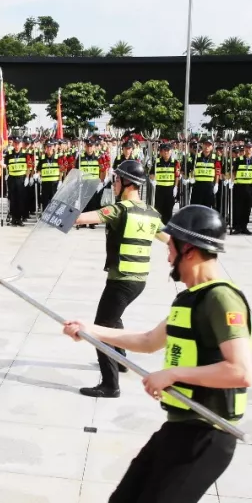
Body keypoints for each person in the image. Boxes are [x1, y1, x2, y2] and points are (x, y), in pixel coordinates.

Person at [62, 204, 252, 503]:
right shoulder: (189, 298)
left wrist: (173, 373)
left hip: (209, 434)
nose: (167, 252)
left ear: (189, 249)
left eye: (172, 245)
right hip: (179, 428)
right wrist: (90, 330)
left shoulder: (221, 299)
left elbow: (240, 371)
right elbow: (147, 340)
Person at [72, 159, 164, 398]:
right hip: (138, 280)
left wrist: (61, 209)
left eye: (116, 179)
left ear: (126, 182)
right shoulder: (152, 213)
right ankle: (121, 359)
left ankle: (110, 385)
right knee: (114, 318)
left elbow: (80, 219)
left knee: (101, 329)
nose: (113, 184)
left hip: (121, 280)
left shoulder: (119, 209)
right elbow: (170, 238)